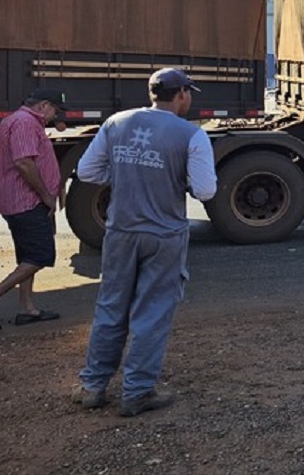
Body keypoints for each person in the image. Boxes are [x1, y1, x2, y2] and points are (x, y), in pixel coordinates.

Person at [74, 68, 217, 417]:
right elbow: (205, 190)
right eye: (189, 93)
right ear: (181, 94)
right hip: (164, 235)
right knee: (151, 313)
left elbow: (86, 171)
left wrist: (126, 174)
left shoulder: (116, 122)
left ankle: (93, 387)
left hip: (120, 231)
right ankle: (136, 391)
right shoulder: (191, 135)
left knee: (110, 306)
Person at [0, 89, 68, 328]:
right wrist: (47, 196)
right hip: (26, 202)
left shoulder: (20, 121)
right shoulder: (25, 123)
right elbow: (24, 163)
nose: (54, 116)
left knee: (28, 255)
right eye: (54, 110)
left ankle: (28, 308)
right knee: (39, 256)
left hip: (21, 201)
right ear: (43, 105)